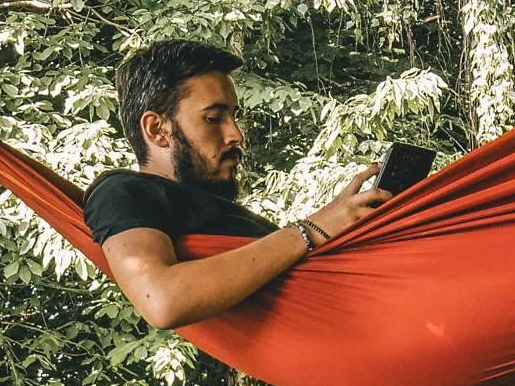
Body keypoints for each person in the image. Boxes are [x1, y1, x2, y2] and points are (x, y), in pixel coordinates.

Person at [82, 39, 386, 330]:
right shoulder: (122, 191)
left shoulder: (221, 216)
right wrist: (310, 231)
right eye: (214, 119)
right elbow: (162, 300)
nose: (236, 135)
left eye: (234, 117)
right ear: (157, 129)